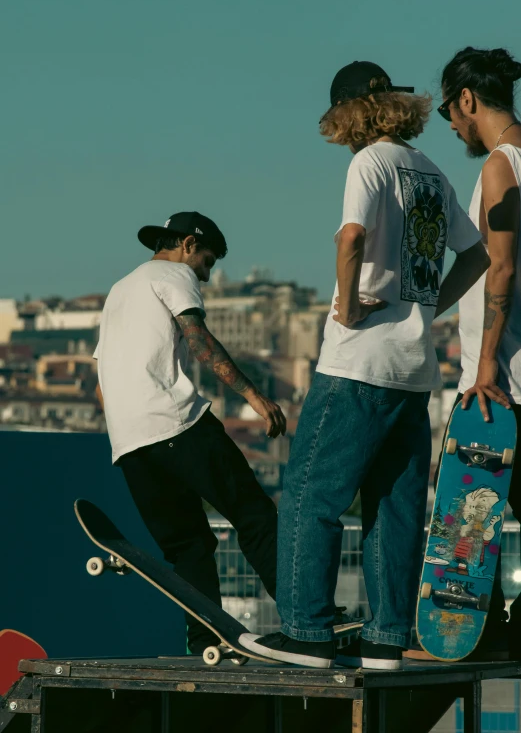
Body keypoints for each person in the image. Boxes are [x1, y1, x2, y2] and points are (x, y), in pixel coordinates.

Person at [240, 60, 490, 669]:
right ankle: (386, 639)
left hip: (356, 364)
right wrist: (426, 309)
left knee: (308, 496)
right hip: (413, 372)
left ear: (349, 114)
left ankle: (307, 633)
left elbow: (351, 237)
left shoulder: (369, 162)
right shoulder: (429, 171)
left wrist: (347, 306)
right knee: (395, 506)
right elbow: (477, 255)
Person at [94, 211, 286, 654]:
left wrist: (131, 427)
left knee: (187, 546)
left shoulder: (119, 291)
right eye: (208, 261)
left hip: (128, 444)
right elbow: (198, 341)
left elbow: (103, 387)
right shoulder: (173, 273)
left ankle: (206, 642)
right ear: (186, 245)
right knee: (254, 514)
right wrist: (257, 399)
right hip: (176, 424)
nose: (208, 273)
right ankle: (304, 618)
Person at [436, 47, 521, 658]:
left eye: (449, 110)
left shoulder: (500, 166)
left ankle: (483, 633)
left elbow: (502, 264)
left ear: (467, 99)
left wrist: (486, 361)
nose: (451, 125)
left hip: (504, 380)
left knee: (474, 518)